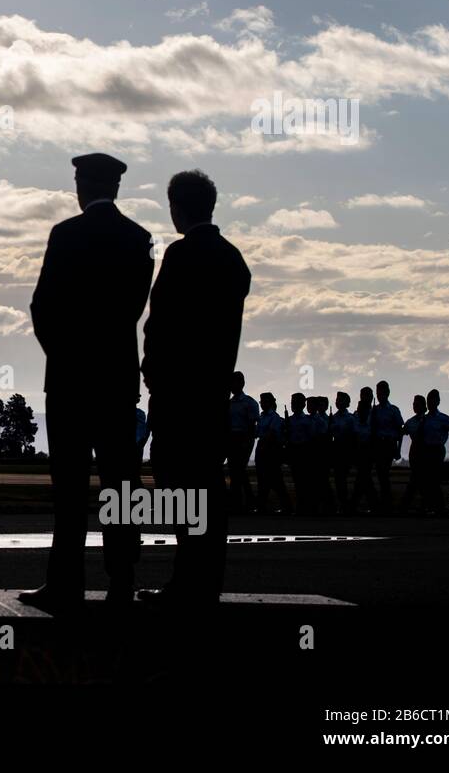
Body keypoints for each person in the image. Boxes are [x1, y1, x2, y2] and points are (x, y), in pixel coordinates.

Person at [23, 152, 154, 616]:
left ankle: (65, 583)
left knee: (70, 488)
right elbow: (134, 309)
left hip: (69, 381)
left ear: (82, 186)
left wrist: (63, 356)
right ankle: (123, 579)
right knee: (121, 485)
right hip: (115, 379)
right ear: (115, 187)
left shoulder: (66, 235)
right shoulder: (138, 239)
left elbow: (42, 307)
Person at [138, 170, 251, 607]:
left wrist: (153, 373)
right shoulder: (232, 259)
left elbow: (158, 322)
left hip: (177, 392)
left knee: (178, 485)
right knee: (206, 487)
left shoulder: (181, 255)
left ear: (177, 208)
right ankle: (205, 581)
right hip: (211, 394)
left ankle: (187, 580)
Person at [419, 389, 449, 515]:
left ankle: (436, 506)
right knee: (427, 480)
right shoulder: (424, 419)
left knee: (433, 479)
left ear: (438, 401)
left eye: (433, 400)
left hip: (438, 450)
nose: (430, 403)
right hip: (426, 450)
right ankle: (431, 506)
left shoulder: (444, 418)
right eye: (429, 400)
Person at [227, 371, 259, 514]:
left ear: (241, 383)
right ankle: (242, 502)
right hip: (231, 439)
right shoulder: (230, 403)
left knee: (238, 471)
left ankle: (242, 503)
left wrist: (247, 442)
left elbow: (252, 425)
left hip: (244, 438)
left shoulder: (249, 403)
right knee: (236, 472)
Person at [253, 392, 290, 514]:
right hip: (262, 449)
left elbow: (271, 434)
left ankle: (287, 506)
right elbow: (257, 433)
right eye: (261, 402)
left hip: (271, 451)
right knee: (263, 480)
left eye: (263, 402)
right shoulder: (262, 417)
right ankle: (261, 506)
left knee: (276, 480)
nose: (262, 404)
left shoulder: (274, 417)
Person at [371, 380, 404, 513]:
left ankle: (387, 503)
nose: (380, 395)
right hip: (378, 444)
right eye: (378, 392)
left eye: (382, 392)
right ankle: (386, 502)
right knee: (381, 475)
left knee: (384, 474)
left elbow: (400, 431)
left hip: (389, 444)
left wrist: (398, 449)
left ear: (388, 393)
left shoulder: (394, 410)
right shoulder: (375, 410)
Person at [348, 387, 379, 514]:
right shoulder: (356, 414)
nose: (366, 397)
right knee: (364, 478)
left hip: (369, 448)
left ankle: (355, 505)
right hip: (359, 448)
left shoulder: (375, 414)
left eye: (368, 395)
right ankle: (374, 505)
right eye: (364, 395)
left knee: (363, 478)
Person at [399, 394, 429, 516]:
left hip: (426, 451)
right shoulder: (410, 422)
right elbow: (401, 434)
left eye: (417, 404)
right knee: (417, 479)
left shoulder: (429, 420)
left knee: (419, 480)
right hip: (415, 451)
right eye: (414, 404)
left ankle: (408, 505)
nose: (415, 406)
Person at [329, 391, 358, 515]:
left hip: (346, 449)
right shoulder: (333, 418)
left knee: (343, 479)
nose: (338, 402)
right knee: (338, 480)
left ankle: (345, 504)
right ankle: (342, 504)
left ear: (347, 403)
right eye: (337, 400)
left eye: (340, 400)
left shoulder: (351, 418)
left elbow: (354, 436)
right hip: (337, 449)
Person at [284, 393, 313, 515]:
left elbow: (310, 437)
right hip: (294, 451)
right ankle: (300, 506)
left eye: (295, 402)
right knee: (297, 480)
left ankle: (307, 506)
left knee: (305, 481)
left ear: (302, 404)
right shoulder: (289, 420)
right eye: (292, 402)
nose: (292, 405)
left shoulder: (307, 420)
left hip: (304, 451)